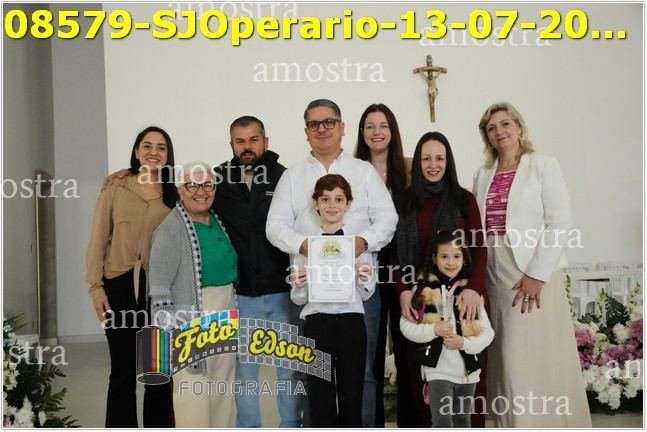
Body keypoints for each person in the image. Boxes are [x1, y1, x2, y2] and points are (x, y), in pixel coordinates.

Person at [473, 102, 591, 427]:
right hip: (493, 270)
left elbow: (560, 222)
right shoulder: (482, 174)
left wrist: (537, 275)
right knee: (501, 352)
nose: (499, 131)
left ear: (519, 127)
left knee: (530, 353)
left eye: (505, 124)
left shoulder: (543, 166)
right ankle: (507, 422)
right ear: (487, 136)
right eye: (491, 128)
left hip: (531, 268)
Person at [212, 116, 300, 428]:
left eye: (253, 139)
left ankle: (291, 425)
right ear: (231, 145)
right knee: (245, 371)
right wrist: (129, 175)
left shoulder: (284, 177)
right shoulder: (219, 179)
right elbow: (184, 196)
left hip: (283, 292)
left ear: (265, 141)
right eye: (240, 141)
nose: (247, 147)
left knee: (288, 368)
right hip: (242, 294)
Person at [86, 125, 176, 428]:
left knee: (157, 373)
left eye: (161, 147)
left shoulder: (174, 195)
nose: (153, 152)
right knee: (122, 371)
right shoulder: (116, 188)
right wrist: (96, 288)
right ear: (137, 151)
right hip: (119, 288)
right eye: (147, 146)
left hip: (159, 293)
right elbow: (98, 239)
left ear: (168, 155)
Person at [395, 131, 487, 427]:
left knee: (465, 374)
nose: (433, 165)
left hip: (462, 298)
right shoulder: (404, 201)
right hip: (421, 300)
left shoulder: (463, 200)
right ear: (417, 163)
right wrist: (403, 291)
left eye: (439, 158)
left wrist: (475, 289)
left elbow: (479, 248)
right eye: (426, 158)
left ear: (448, 162)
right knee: (424, 377)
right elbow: (392, 254)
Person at [149, 162, 238, 428]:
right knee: (193, 389)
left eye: (207, 185)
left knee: (222, 385)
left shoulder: (217, 220)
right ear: (180, 190)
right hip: (190, 317)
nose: (201, 191)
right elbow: (159, 287)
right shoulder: (170, 228)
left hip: (224, 309)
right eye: (193, 185)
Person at [289, 174, 376, 427]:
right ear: (315, 203)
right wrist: (300, 283)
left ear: (348, 204)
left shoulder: (358, 245)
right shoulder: (305, 246)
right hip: (317, 324)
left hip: (351, 322)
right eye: (325, 199)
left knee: (352, 393)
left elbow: (367, 293)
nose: (332, 205)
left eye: (338, 199)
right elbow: (298, 298)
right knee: (319, 395)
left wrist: (363, 277)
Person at [354, 103, 414, 427]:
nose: (377, 132)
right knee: (369, 357)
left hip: (404, 271)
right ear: (361, 133)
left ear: (393, 131)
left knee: (407, 352)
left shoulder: (410, 168)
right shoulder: (352, 170)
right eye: (370, 126)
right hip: (367, 271)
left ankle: (409, 422)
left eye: (383, 125)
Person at [400, 230, 494, 428]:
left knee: (463, 421)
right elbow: (406, 326)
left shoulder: (471, 295)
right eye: (444, 256)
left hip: (468, 372)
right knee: (442, 423)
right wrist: (433, 330)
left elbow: (488, 333)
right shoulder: (422, 291)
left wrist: (464, 343)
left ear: (464, 259)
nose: (451, 262)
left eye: (456, 256)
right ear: (435, 258)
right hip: (438, 371)